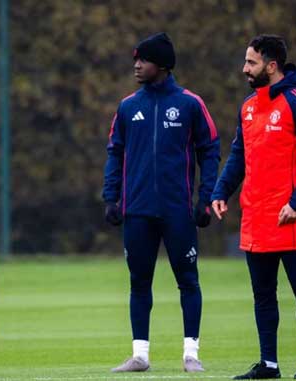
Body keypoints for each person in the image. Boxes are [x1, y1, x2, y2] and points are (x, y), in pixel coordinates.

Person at [211, 35, 296, 380]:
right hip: (258, 217)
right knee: (263, 295)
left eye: (251, 62)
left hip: (291, 216)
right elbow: (238, 155)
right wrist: (222, 191)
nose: (244, 68)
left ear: (272, 65)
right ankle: (269, 365)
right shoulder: (248, 106)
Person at [102, 32, 220, 373]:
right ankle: (140, 356)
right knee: (139, 282)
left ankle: (191, 355)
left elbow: (210, 149)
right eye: (136, 59)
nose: (137, 65)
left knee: (188, 281)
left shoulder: (190, 104)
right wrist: (111, 197)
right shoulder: (128, 106)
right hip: (137, 211)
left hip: (177, 210)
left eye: (144, 59)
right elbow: (115, 153)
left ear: (163, 65)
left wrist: (205, 197)